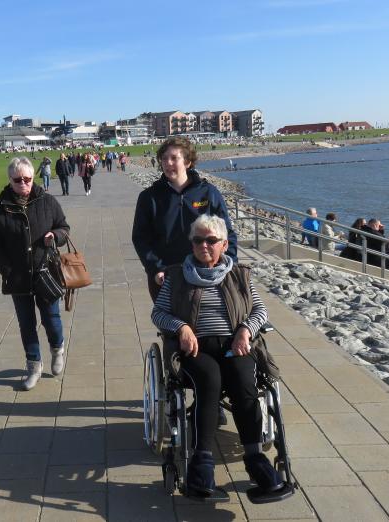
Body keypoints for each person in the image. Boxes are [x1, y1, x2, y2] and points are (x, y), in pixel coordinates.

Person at [151, 214, 282, 498]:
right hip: (194, 347)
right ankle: (202, 461)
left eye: (211, 240)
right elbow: (158, 313)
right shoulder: (176, 276)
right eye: (198, 240)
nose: (204, 245)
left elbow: (260, 311)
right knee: (209, 382)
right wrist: (182, 327)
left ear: (224, 244)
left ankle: (255, 457)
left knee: (244, 382)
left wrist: (245, 330)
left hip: (234, 344)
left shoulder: (239, 275)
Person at [0, 157, 70, 391]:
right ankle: (33, 365)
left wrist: (56, 235)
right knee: (26, 324)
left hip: (45, 272)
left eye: (28, 179)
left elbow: (64, 226)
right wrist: (6, 269)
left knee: (51, 319)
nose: (23, 183)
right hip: (17, 276)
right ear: (10, 180)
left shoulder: (47, 201)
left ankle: (57, 348)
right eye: (18, 180)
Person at [132, 136, 238, 302]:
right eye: (164, 159)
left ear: (188, 162)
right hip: (167, 274)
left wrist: (230, 264)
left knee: (206, 323)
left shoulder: (208, 192)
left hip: (205, 272)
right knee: (171, 325)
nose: (168, 163)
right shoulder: (149, 197)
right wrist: (155, 269)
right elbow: (140, 238)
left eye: (174, 158)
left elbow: (227, 233)